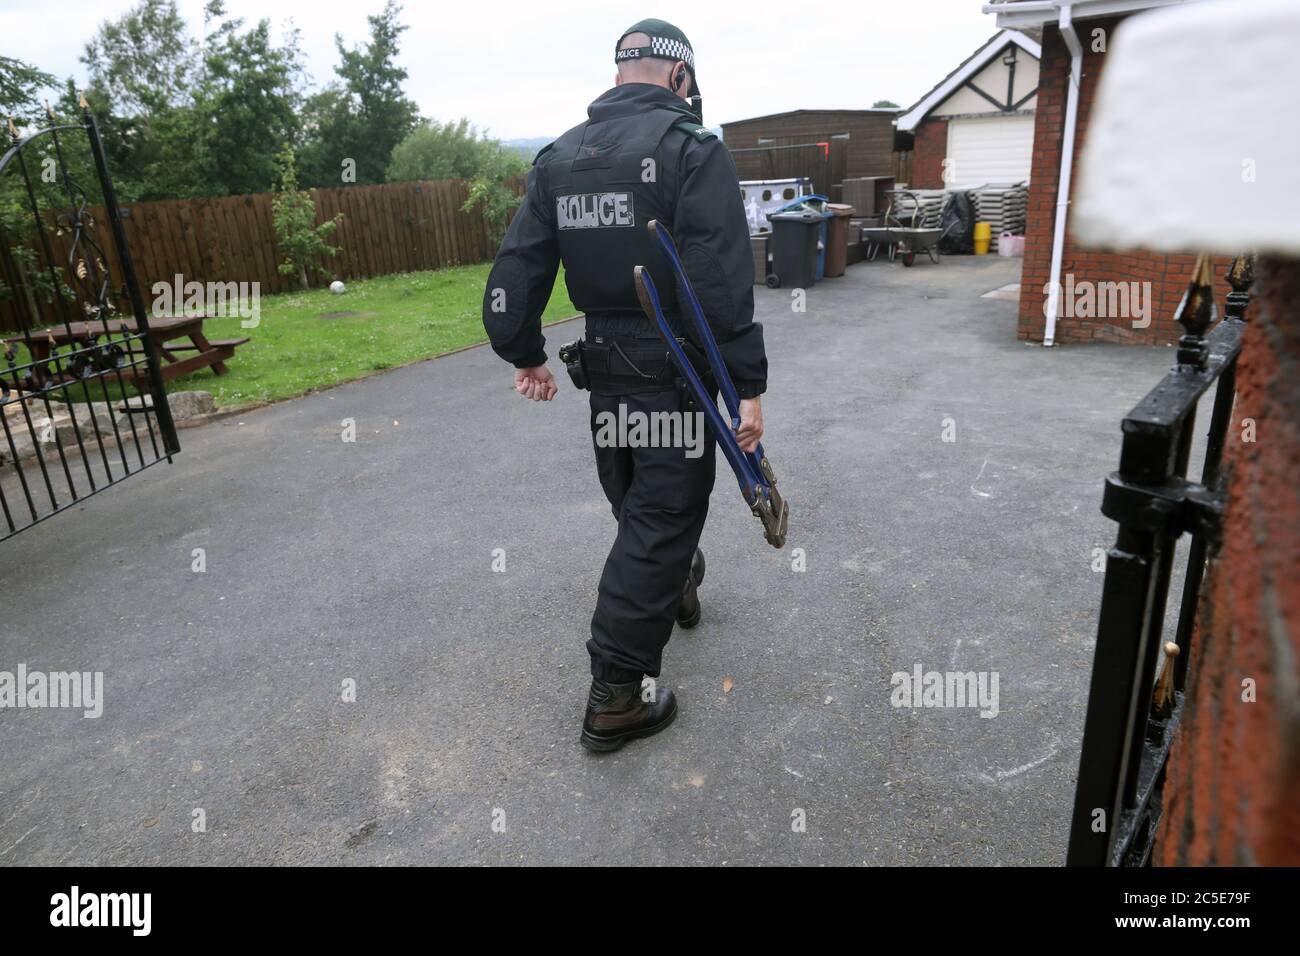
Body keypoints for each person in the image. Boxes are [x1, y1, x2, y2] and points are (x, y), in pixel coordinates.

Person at [481, 18, 767, 752]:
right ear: (679, 77)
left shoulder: (560, 158)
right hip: (674, 371)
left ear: (618, 75)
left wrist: (524, 353)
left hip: (606, 367)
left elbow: (517, 270)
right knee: (660, 518)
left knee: (641, 504)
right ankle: (616, 694)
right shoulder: (691, 150)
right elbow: (719, 281)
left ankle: (673, 580)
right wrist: (746, 387)